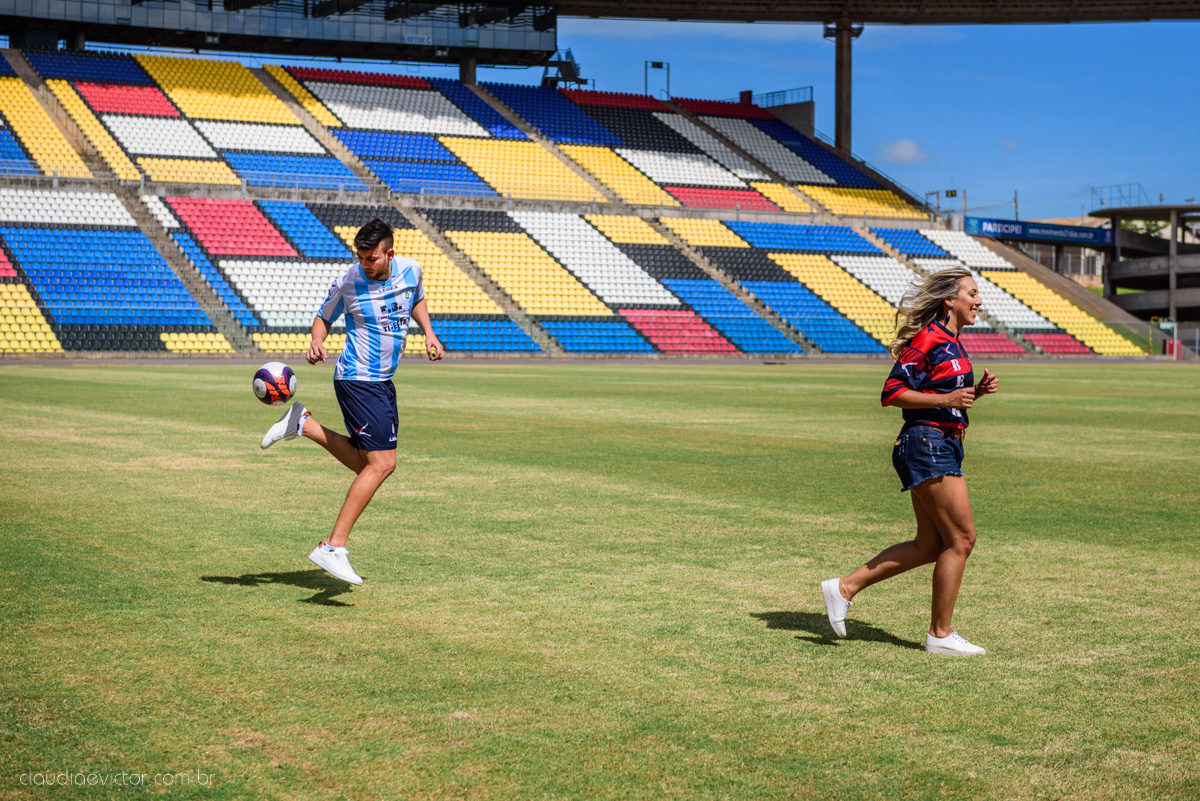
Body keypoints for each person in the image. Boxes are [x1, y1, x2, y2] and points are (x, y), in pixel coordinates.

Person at [821, 267, 999, 655]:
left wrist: (974, 395)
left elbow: (945, 399)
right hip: (927, 444)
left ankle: (844, 588)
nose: (979, 301)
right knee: (962, 539)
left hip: (940, 443)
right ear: (950, 299)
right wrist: (948, 399)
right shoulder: (929, 338)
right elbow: (892, 392)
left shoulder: (954, 342)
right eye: (972, 293)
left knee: (929, 545)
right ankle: (940, 634)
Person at [260, 217, 444, 585]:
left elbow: (417, 298)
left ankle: (303, 423)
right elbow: (323, 316)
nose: (365, 263)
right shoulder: (349, 280)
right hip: (358, 379)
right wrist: (317, 341)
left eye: (372, 258)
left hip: (382, 382)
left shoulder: (411, 270)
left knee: (368, 464)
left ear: (389, 253)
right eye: (360, 257)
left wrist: (429, 333)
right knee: (382, 464)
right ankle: (333, 546)